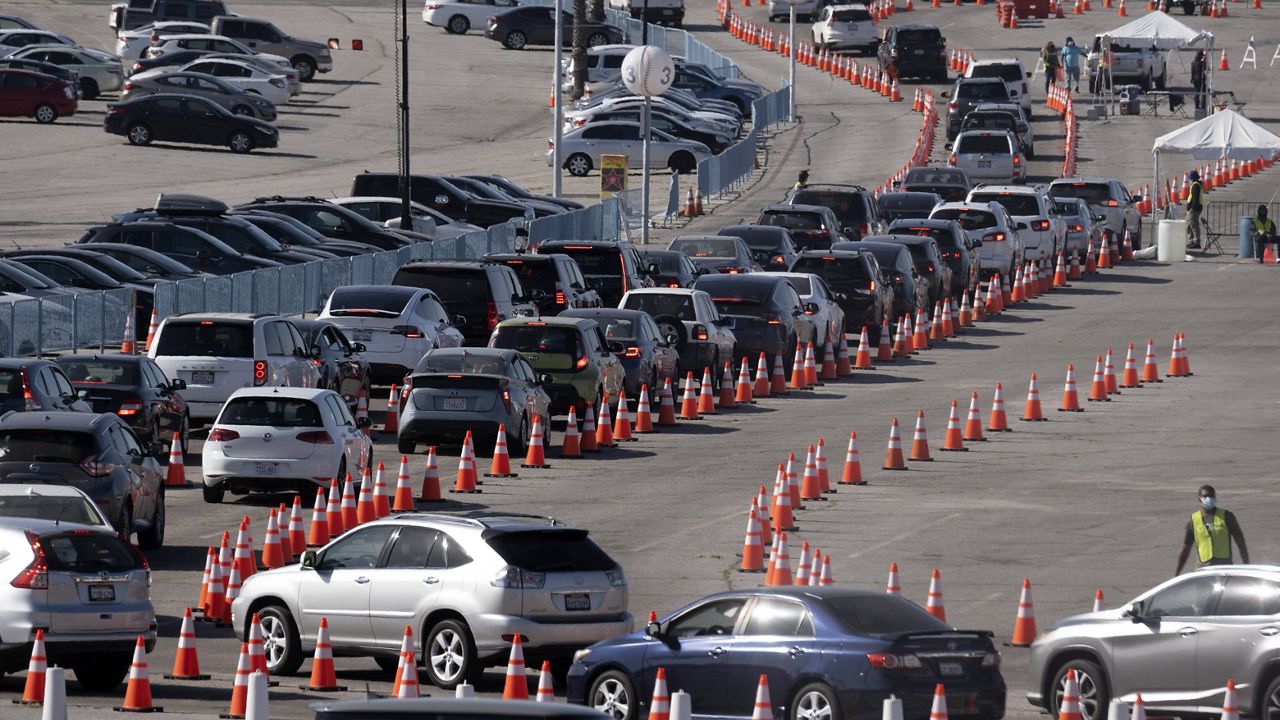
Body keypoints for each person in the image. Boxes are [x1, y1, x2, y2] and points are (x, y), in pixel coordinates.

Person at [1176, 485, 1249, 574]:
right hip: (1203, 569)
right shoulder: (1193, 520)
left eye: (1211, 496)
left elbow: (1241, 544)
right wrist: (1177, 573)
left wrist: (1247, 567)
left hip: (1224, 567)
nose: (1209, 499)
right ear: (1199, 498)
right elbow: (1185, 550)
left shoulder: (1227, 516)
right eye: (1205, 496)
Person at [1185, 169, 1203, 248]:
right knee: (1188, 224)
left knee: (1194, 224)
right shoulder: (1196, 184)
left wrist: (1192, 208)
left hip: (1194, 208)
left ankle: (1196, 241)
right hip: (1193, 208)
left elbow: (1195, 198)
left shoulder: (1195, 185)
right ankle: (1191, 240)